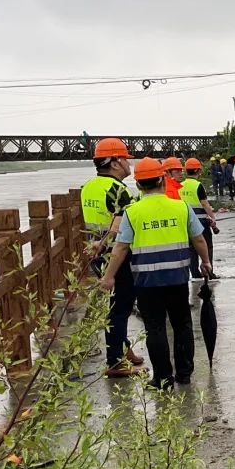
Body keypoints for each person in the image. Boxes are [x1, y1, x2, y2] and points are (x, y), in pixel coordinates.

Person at [98, 157, 211, 389]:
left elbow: (120, 247)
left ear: (138, 185)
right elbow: (198, 238)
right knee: (182, 325)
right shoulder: (181, 207)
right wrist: (205, 262)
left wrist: (109, 276)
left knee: (155, 328)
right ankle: (184, 373)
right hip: (178, 278)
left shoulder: (132, 212)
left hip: (147, 281)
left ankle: (162, 377)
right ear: (162, 179)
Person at [81, 137, 146, 377]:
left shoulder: (88, 186)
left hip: (96, 254)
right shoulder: (118, 190)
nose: (129, 164)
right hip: (115, 257)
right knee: (120, 307)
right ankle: (115, 361)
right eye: (126, 159)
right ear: (116, 162)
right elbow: (119, 230)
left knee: (115, 304)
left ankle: (123, 348)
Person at [181, 158, 219, 280]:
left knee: (191, 248)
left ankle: (195, 273)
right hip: (200, 221)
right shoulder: (198, 185)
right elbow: (204, 204)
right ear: (198, 170)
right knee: (207, 246)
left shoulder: (180, 185)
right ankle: (209, 271)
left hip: (186, 221)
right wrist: (212, 218)